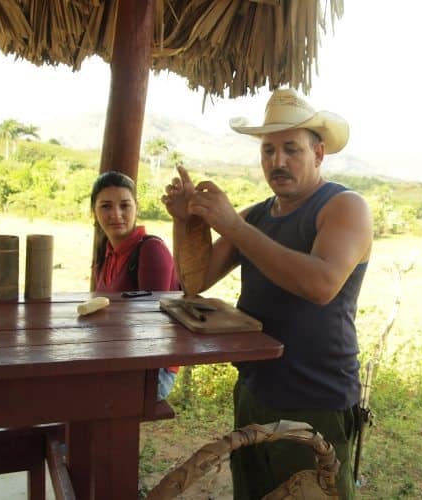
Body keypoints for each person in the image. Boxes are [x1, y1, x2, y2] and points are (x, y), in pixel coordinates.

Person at [162, 88, 373, 499]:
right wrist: (187, 222)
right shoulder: (258, 214)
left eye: (291, 149)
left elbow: (321, 284)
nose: (278, 162)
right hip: (255, 392)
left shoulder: (345, 206)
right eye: (268, 150)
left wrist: (233, 226)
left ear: (319, 154)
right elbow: (195, 280)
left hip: (316, 399)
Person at [91, 170, 179, 400]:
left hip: (153, 370)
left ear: (136, 208)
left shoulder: (151, 250)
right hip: (116, 357)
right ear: (94, 211)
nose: (116, 214)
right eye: (106, 206)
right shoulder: (106, 251)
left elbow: (151, 326)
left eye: (124, 205)